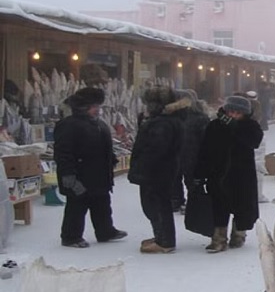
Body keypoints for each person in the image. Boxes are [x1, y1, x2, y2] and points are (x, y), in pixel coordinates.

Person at [53, 87, 127, 248]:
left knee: (102, 203)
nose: (98, 110)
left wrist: (111, 159)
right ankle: (71, 236)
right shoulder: (68, 125)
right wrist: (68, 175)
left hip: (99, 174)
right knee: (77, 205)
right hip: (79, 174)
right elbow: (63, 152)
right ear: (84, 107)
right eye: (95, 107)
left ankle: (105, 230)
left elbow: (104, 146)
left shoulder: (99, 124)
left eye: (98, 107)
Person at [195, 96, 263, 253]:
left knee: (242, 207)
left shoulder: (251, 126)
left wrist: (235, 127)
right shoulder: (215, 125)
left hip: (242, 175)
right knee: (218, 206)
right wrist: (199, 174)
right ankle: (218, 239)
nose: (233, 115)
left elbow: (254, 142)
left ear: (245, 114)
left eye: (238, 113)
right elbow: (204, 150)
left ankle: (238, 234)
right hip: (218, 174)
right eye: (231, 111)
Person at [128, 87, 185, 253]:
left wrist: (142, 169)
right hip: (162, 170)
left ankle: (165, 241)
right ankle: (161, 236)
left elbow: (155, 149)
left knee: (156, 205)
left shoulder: (163, 124)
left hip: (157, 171)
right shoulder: (167, 120)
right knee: (157, 204)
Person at [170, 90, 210, 214]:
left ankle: (194, 204)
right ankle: (176, 201)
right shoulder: (173, 117)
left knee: (192, 182)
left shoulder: (200, 117)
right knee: (175, 180)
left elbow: (206, 139)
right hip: (176, 155)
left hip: (193, 156)